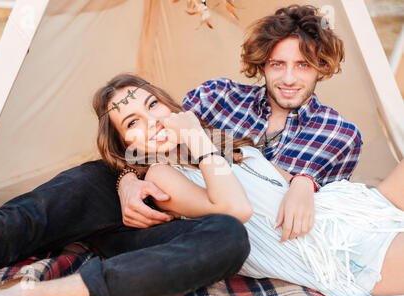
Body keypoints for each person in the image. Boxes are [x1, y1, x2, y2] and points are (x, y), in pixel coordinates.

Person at [0, 73, 403, 296]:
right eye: (134, 123)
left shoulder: (220, 143)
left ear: (169, 104)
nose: (152, 121)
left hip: (344, 209)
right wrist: (181, 147)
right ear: (128, 144)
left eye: (153, 105)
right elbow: (235, 211)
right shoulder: (163, 175)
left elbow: (271, 183)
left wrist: (301, 183)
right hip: (331, 251)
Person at [117, 5, 363, 244]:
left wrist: (306, 183)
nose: (289, 79)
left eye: (303, 65)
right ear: (261, 64)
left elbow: (330, 213)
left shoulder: (342, 137)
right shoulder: (216, 97)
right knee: (91, 177)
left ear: (321, 66)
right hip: (196, 230)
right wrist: (127, 181)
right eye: (277, 64)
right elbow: (151, 145)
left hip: (271, 246)